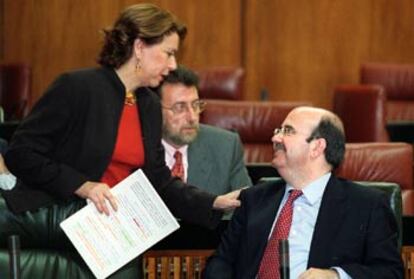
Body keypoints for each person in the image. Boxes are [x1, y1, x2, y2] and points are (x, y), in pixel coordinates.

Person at [0, 3, 240, 278]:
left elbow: (157, 180)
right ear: (139, 47)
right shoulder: (76, 87)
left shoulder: (148, 105)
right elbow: (21, 153)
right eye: (169, 53)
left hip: (111, 226)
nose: (174, 64)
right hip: (56, 211)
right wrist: (83, 185)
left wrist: (213, 202)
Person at [204, 106, 404, 279]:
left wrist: (335, 275)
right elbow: (221, 262)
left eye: (288, 131)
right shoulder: (254, 199)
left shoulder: (366, 205)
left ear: (317, 147)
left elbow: (390, 272)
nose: (275, 137)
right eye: (278, 130)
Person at [159, 65, 252, 197]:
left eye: (196, 105)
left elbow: (246, 208)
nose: (192, 117)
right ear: (155, 109)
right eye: (180, 108)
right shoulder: (137, 149)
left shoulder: (226, 147)